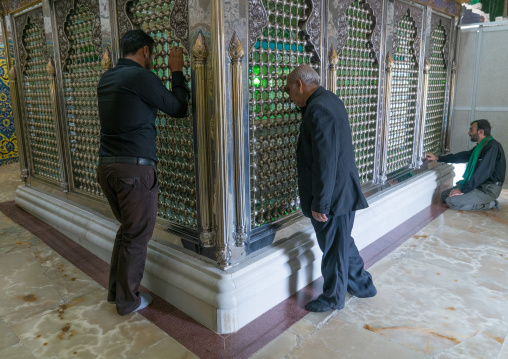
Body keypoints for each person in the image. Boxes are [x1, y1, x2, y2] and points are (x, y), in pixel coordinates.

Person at [97, 30, 189, 315]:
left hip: (107, 168)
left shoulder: (107, 77)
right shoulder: (140, 77)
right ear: (146, 51)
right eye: (154, 54)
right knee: (137, 236)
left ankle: (117, 293)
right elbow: (178, 108)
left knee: (128, 231)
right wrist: (176, 72)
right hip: (134, 171)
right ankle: (128, 301)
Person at [286, 65, 377, 312]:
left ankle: (333, 298)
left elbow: (326, 161)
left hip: (333, 196)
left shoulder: (318, 109)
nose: (289, 95)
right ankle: (362, 285)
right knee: (341, 243)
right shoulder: (329, 100)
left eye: (289, 89)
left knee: (334, 250)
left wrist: (321, 203)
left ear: (300, 85)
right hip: (342, 191)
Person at [426, 119, 505, 211]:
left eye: (471, 130)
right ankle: (478, 200)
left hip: (488, 189)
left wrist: (462, 190)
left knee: (452, 201)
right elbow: (462, 156)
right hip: (479, 185)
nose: (468, 132)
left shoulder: (492, 147)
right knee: (445, 195)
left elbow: (482, 173)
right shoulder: (481, 147)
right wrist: (437, 158)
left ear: (481, 132)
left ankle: (490, 203)